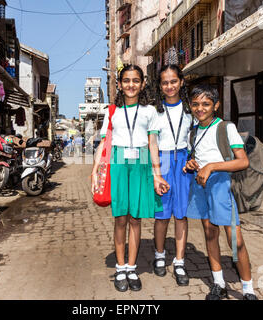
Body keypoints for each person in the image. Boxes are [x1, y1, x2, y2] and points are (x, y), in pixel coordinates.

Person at [91, 64, 170, 292]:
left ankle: (132, 268)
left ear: (143, 83)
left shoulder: (150, 112)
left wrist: (157, 175)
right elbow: (105, 143)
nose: (131, 85)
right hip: (118, 163)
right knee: (120, 219)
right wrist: (95, 169)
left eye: (136, 80)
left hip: (142, 163)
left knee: (136, 219)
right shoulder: (112, 110)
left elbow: (153, 144)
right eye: (126, 80)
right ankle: (120, 268)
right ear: (119, 84)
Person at [184, 84, 258, 300]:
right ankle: (218, 283)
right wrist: (192, 164)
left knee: (235, 240)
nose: (200, 108)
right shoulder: (193, 132)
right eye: (195, 104)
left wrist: (212, 166)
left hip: (220, 185)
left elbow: (242, 161)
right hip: (201, 185)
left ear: (215, 105)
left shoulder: (226, 127)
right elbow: (197, 156)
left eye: (206, 104)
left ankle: (248, 289)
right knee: (209, 233)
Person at [152, 64, 194, 286]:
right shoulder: (154, 112)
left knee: (181, 214)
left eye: (173, 81)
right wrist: (155, 172)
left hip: (184, 163)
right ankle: (159, 256)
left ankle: (179, 261)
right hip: (163, 162)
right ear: (160, 86)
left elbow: (196, 139)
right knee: (161, 215)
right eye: (165, 82)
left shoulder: (190, 110)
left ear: (181, 82)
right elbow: (150, 144)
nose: (170, 86)